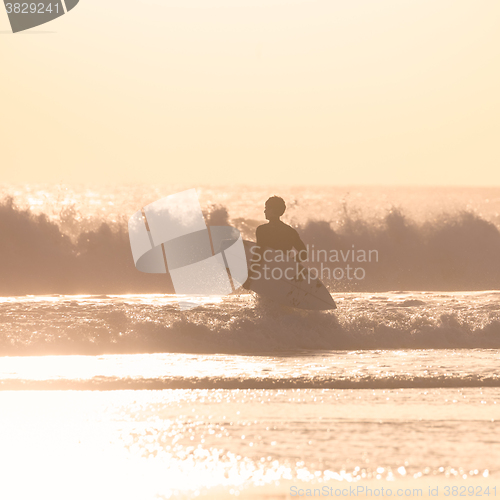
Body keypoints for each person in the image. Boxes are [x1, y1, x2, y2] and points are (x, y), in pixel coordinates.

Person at [256, 196, 307, 260]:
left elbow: (258, 255)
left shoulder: (262, 230)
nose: (264, 211)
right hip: (283, 269)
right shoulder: (291, 232)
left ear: (272, 210)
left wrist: (251, 269)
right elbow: (304, 254)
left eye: (267, 208)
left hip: (267, 269)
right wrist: (289, 263)